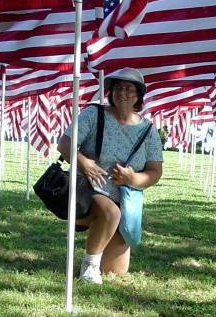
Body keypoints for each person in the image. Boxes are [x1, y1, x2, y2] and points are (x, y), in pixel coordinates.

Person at [56, 68, 164, 284]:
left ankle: (99, 242)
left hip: (123, 199)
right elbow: (64, 144)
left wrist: (133, 179)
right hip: (85, 191)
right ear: (110, 92)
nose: (122, 93)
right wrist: (85, 163)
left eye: (129, 89)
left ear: (139, 96)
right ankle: (89, 266)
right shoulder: (93, 114)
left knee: (115, 271)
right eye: (117, 88)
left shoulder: (149, 131)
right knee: (110, 213)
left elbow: (155, 171)